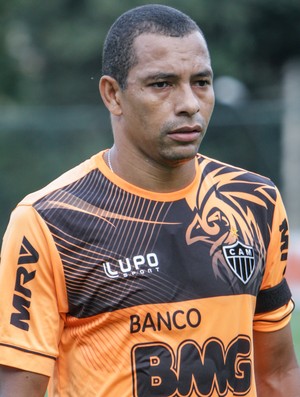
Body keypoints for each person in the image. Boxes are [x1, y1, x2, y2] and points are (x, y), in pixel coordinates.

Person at [0, 4, 299, 397]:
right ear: (113, 95)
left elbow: (277, 373)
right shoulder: (49, 221)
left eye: (202, 82)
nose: (189, 103)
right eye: (162, 84)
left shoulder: (254, 202)